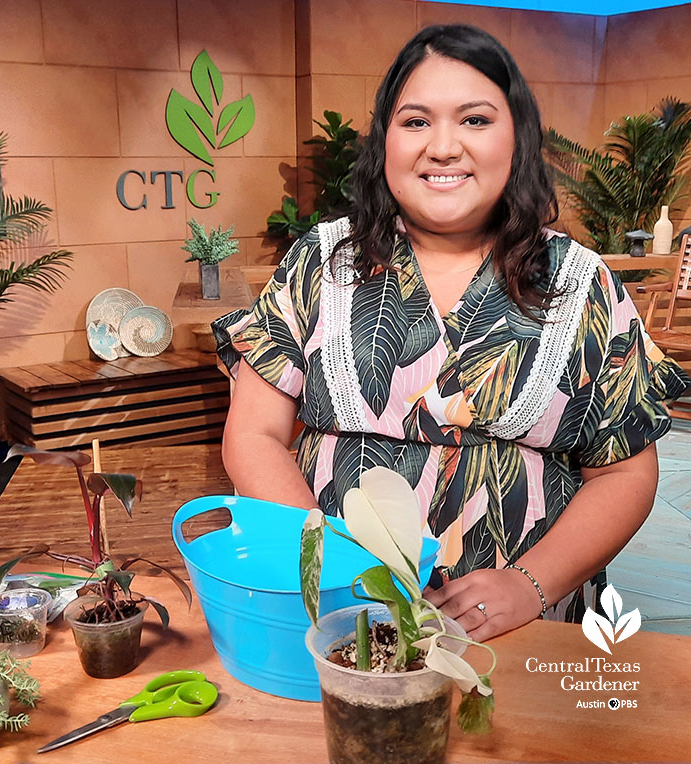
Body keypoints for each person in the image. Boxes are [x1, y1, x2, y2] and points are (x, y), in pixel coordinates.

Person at [213, 24, 691, 641]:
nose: (442, 147)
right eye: (415, 121)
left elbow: (625, 475)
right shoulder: (321, 262)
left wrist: (529, 584)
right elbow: (253, 434)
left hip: (522, 628)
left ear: (517, 138)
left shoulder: (580, 283)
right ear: (383, 141)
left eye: (474, 120)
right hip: (340, 618)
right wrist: (331, 562)